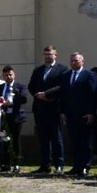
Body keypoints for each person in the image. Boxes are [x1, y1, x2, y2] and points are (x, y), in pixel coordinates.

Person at [28, 45, 69, 174]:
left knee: (56, 138)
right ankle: (45, 165)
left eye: (50, 54)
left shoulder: (63, 69)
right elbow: (31, 86)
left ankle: (59, 164)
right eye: (45, 54)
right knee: (43, 138)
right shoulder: (38, 70)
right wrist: (38, 95)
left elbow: (62, 87)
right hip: (40, 108)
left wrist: (46, 94)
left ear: (55, 55)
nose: (47, 57)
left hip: (54, 107)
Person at [60, 52, 97, 177]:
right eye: (71, 61)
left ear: (82, 61)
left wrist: (91, 112)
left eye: (76, 60)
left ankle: (86, 166)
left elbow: (93, 94)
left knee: (85, 141)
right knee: (74, 141)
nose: (73, 63)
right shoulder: (66, 75)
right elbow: (64, 95)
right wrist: (63, 112)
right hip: (70, 115)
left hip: (84, 114)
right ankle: (77, 165)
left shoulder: (89, 75)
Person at [0, 66, 28, 172]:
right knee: (4, 141)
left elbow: (24, 99)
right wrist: (0, 101)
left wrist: (11, 101)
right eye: (6, 75)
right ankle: (5, 164)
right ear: (3, 76)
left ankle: (17, 164)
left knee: (16, 142)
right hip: (3, 118)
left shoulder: (20, 86)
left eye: (10, 74)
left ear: (14, 75)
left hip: (16, 117)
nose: (8, 77)